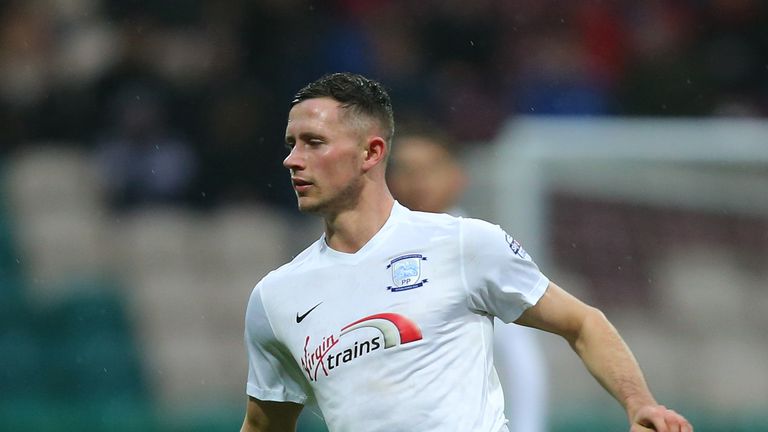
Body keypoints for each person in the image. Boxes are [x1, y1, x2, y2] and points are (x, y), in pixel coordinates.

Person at [241, 72, 693, 432]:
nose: (292, 159)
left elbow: (582, 322)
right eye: (291, 144)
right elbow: (265, 423)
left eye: (313, 142)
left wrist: (639, 404)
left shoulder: (462, 244)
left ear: (371, 153)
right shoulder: (275, 297)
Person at [387, 127, 548, 432]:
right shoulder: (372, 251)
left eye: (430, 168)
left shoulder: (478, 250)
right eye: (406, 169)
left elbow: (520, 356)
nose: (417, 180)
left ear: (457, 176)